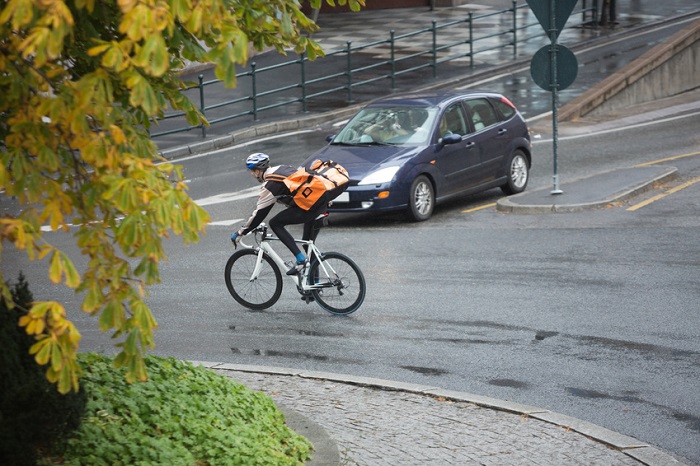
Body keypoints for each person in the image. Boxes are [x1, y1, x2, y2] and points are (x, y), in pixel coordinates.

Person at [230, 153, 328, 275]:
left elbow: (259, 213)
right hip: (320, 204)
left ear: (257, 171)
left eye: (252, 171)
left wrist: (240, 232)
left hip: (309, 207)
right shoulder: (283, 168)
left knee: (275, 223)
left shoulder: (270, 185)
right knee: (308, 244)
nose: (252, 174)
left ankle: (300, 259)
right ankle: (315, 287)